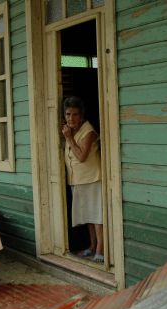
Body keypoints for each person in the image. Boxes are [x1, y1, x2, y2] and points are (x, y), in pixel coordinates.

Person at [61, 96, 103, 263]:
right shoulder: (73, 130)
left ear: (82, 115)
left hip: (92, 179)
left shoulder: (88, 132)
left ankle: (101, 251)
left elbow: (82, 157)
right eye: (68, 114)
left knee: (97, 216)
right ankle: (92, 247)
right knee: (88, 216)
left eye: (75, 114)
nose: (71, 118)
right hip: (78, 179)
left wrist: (69, 138)